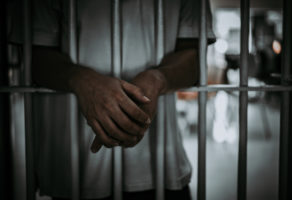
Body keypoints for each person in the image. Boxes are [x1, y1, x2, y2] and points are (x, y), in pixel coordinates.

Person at [8, 0, 215, 199]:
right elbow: (34, 57)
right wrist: (82, 81)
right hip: (75, 168)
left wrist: (157, 79)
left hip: (159, 165)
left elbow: (194, 58)